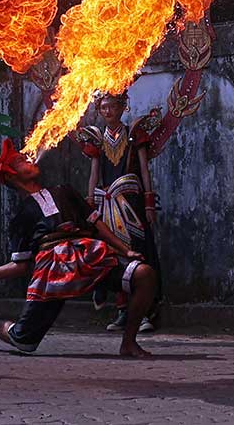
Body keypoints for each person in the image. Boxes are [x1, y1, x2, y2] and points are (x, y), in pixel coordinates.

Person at [0, 138, 157, 358]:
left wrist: (124, 250)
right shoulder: (21, 217)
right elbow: (21, 265)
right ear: (10, 175)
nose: (28, 158)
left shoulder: (64, 191)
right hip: (51, 271)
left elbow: (96, 223)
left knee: (144, 274)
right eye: (19, 160)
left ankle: (128, 343)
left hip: (88, 254)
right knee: (23, 341)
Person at [77, 91, 160, 333]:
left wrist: (148, 202)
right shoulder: (97, 138)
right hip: (107, 206)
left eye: (112, 106)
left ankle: (144, 312)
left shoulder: (134, 134)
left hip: (132, 203)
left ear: (122, 108)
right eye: (103, 107)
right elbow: (94, 173)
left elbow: (144, 170)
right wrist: (90, 202)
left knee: (140, 252)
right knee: (113, 257)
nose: (107, 111)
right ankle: (123, 311)